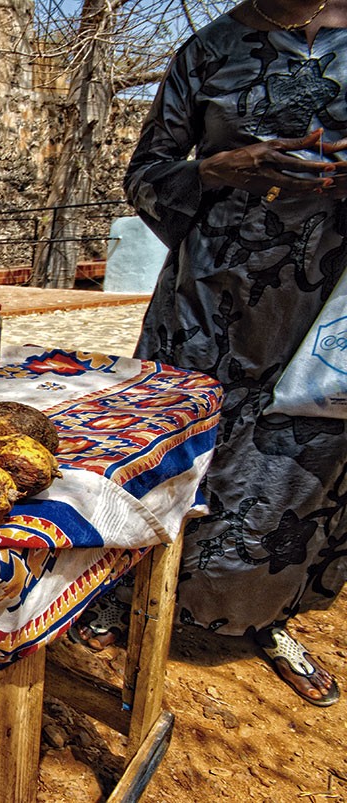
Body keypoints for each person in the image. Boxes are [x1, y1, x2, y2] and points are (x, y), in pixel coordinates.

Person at [76, 0, 347, 707]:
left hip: (322, 312)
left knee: (291, 472)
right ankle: (121, 591)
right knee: (169, 448)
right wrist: (218, 168)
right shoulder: (210, 48)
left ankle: (265, 614)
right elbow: (145, 175)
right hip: (206, 302)